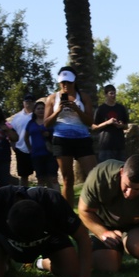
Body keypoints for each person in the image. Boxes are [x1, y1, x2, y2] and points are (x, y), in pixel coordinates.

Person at [74, 154, 139, 274]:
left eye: (136, 189)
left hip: (135, 225)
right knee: (107, 267)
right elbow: (84, 211)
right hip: (104, 224)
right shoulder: (101, 175)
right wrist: (103, 232)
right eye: (127, 186)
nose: (129, 193)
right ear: (121, 173)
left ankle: (126, 243)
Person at [44, 66, 96, 206]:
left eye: (69, 82)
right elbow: (46, 124)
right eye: (62, 82)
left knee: (93, 175)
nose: (65, 85)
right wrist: (58, 111)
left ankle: (93, 206)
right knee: (68, 179)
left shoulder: (83, 97)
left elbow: (90, 122)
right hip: (62, 139)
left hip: (82, 138)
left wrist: (77, 109)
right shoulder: (52, 98)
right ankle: (67, 212)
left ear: (74, 81)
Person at [25, 100, 58, 190]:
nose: (41, 110)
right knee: (40, 179)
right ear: (34, 111)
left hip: (50, 154)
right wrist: (30, 149)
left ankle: (57, 198)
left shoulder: (51, 121)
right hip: (36, 155)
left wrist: (49, 135)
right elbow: (26, 137)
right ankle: (41, 199)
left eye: (43, 108)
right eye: (38, 108)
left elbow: (57, 134)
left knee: (53, 178)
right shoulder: (30, 123)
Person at [93, 84, 129, 163]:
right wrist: (107, 123)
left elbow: (126, 126)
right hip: (105, 146)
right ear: (106, 95)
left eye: (114, 93)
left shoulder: (121, 108)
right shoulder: (100, 109)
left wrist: (121, 125)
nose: (113, 95)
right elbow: (94, 127)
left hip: (120, 146)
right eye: (111, 93)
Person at [9, 93, 37, 188]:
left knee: (42, 175)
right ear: (23, 103)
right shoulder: (17, 117)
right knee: (23, 176)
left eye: (31, 101)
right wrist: (14, 146)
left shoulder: (39, 115)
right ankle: (23, 195)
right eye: (26, 101)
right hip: (22, 149)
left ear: (34, 103)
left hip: (37, 149)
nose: (28, 103)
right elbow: (12, 132)